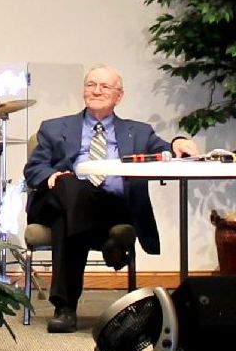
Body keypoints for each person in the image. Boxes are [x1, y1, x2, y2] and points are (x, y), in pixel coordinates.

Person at [23, 64, 199, 333]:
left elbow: (168, 151)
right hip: (61, 196)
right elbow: (34, 168)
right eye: (91, 85)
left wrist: (178, 142)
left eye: (104, 86)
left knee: (65, 218)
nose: (96, 91)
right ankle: (109, 246)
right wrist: (51, 176)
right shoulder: (53, 128)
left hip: (112, 206)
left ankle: (65, 308)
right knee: (69, 186)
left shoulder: (138, 132)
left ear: (119, 96)